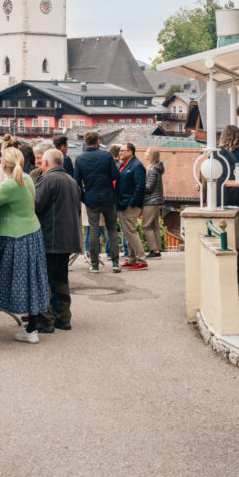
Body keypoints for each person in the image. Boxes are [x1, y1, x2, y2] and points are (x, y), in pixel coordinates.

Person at [0, 148, 50, 343]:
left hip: (14, 234)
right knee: (32, 280)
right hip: (33, 232)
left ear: (3, 164)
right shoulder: (27, 179)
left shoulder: (10, 184)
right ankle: (31, 328)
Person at [34, 148, 81, 332]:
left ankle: (46, 320)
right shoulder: (71, 181)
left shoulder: (47, 180)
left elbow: (35, 206)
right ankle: (63, 318)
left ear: (46, 163)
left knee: (45, 279)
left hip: (50, 237)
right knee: (61, 279)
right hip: (68, 239)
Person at [75, 131, 121, 273]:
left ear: (85, 142)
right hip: (108, 198)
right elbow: (116, 175)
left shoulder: (80, 159)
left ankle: (94, 265)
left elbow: (76, 182)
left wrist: (84, 198)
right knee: (112, 229)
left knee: (94, 230)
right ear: (97, 142)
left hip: (92, 199)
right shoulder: (106, 156)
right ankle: (115, 263)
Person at [116, 143, 147, 270]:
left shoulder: (137, 165)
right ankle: (132, 259)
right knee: (127, 233)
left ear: (131, 152)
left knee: (131, 232)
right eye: (120, 151)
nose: (120, 153)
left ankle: (142, 260)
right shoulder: (123, 165)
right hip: (122, 203)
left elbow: (140, 186)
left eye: (123, 151)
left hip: (130, 204)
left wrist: (132, 202)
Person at [142, 148, 164, 260]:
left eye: (147, 152)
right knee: (154, 226)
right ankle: (157, 250)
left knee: (146, 225)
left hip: (151, 200)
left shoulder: (151, 169)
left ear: (151, 155)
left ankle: (154, 250)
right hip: (157, 200)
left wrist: (138, 186)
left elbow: (149, 187)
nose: (145, 154)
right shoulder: (157, 168)